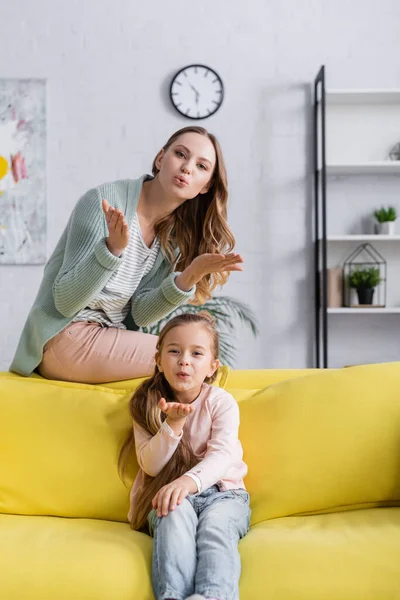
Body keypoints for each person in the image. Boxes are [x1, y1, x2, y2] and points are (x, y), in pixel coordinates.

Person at [10, 126, 244, 383]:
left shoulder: (173, 236)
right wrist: (112, 249)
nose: (187, 168)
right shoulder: (105, 202)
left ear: (205, 186)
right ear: (160, 158)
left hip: (107, 338)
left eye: (201, 166)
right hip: (64, 337)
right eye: (180, 154)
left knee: (190, 364)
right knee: (187, 363)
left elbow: (140, 314)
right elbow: (65, 301)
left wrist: (189, 276)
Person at [119, 312, 250, 600]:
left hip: (225, 495)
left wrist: (188, 482)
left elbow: (223, 454)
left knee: (215, 530)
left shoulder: (220, 402)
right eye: (174, 351)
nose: (184, 360)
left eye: (197, 353)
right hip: (171, 496)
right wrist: (172, 425)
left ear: (212, 366)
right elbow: (151, 465)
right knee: (173, 518)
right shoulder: (146, 403)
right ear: (159, 360)